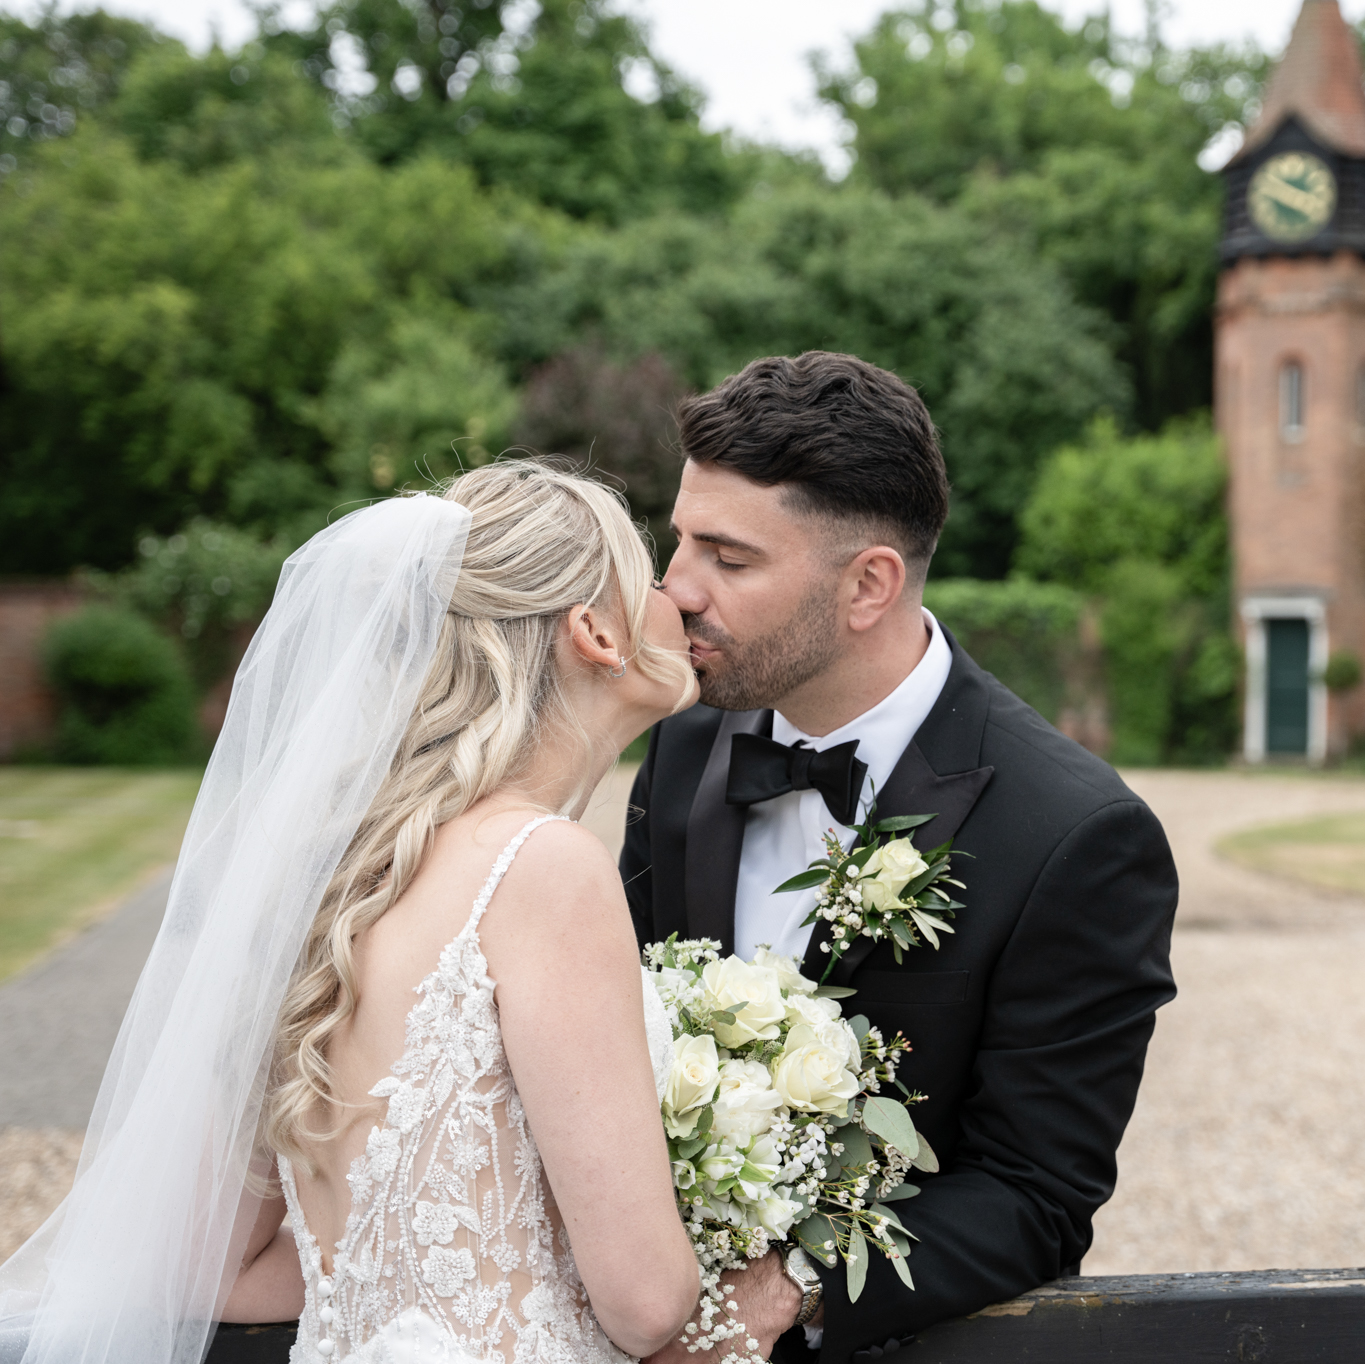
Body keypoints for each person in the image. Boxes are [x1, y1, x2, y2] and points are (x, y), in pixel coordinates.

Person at [0, 460, 704, 1364]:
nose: (680, 597)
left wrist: (410, 1280)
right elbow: (646, 1305)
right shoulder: (545, 868)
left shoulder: (342, 877)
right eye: (652, 578)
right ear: (596, 633)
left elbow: (205, 1273)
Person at [620, 351, 1180, 1364]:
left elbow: (1033, 1195)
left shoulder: (1077, 835)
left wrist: (784, 1289)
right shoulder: (685, 743)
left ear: (868, 585)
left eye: (728, 558)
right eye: (680, 541)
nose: (675, 590)